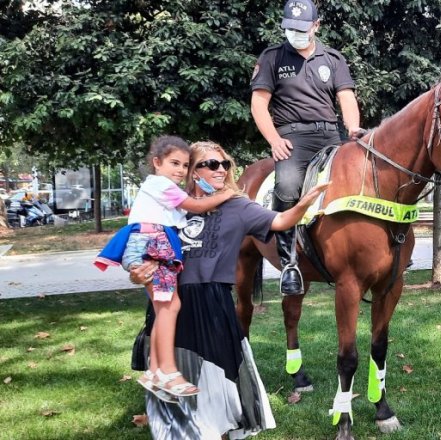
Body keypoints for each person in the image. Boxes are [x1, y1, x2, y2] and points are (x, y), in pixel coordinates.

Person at [130, 141, 330, 439]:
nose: (220, 169)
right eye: (210, 164)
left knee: (218, 390)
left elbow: (280, 220)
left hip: (213, 305)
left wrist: (303, 205)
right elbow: (141, 239)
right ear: (192, 171)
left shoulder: (238, 205)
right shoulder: (171, 201)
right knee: (172, 389)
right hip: (170, 302)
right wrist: (137, 271)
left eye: (224, 164)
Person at [95, 136, 234, 400]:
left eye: (184, 165)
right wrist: (226, 193)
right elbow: (195, 205)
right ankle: (168, 371)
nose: (180, 170)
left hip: (153, 245)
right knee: (170, 306)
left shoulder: (162, 192)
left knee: (166, 307)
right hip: (153, 245)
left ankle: (156, 371)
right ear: (156, 163)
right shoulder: (161, 185)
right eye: (174, 163)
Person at [250, 0, 361, 296]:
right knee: (286, 188)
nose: (295, 34)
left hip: (329, 135)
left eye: (302, 28)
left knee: (357, 183)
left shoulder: (333, 59)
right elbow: (259, 103)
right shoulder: (272, 57)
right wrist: (274, 140)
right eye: (290, 28)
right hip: (291, 138)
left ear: (316, 26)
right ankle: (289, 265)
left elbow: (346, 97)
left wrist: (352, 128)